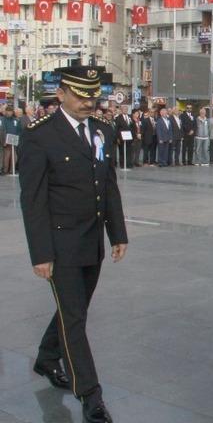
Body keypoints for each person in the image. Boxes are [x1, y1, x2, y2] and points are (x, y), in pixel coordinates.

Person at [19, 65, 128, 423]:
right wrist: (41, 253)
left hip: (91, 240)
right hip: (60, 241)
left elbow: (107, 184)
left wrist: (118, 233)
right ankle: (90, 394)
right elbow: (32, 200)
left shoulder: (101, 130)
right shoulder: (40, 135)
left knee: (73, 310)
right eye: (81, 95)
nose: (88, 102)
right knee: (76, 319)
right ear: (61, 93)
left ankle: (47, 357)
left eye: (92, 96)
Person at [2, 105, 21, 173]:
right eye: (8, 111)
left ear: (12, 112)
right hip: (6, 141)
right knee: (6, 156)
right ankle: (5, 170)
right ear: (6, 112)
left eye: (10, 111)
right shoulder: (2, 119)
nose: (9, 113)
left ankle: (12, 170)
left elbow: (19, 130)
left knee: (14, 157)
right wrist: (4, 140)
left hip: (14, 140)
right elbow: (2, 130)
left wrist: (18, 138)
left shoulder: (16, 120)